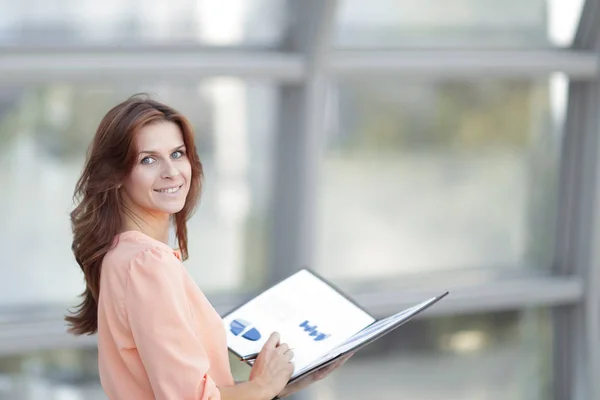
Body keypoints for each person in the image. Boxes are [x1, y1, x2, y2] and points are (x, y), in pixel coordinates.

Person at [65, 95, 350, 400]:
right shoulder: (147, 263)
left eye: (177, 154)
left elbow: (193, 390)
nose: (171, 172)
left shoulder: (121, 255)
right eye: (148, 159)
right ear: (117, 174)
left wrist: (281, 382)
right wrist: (263, 387)